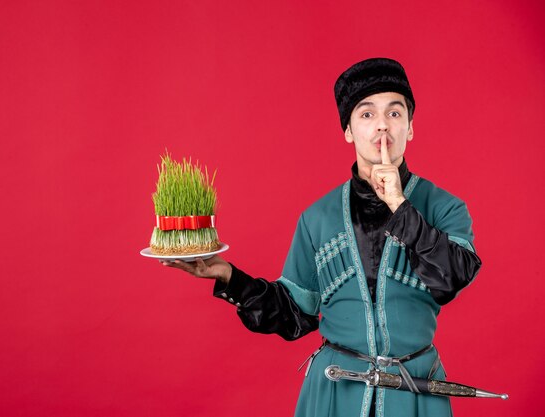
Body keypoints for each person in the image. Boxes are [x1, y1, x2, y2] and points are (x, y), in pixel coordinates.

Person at [161, 58, 481, 417]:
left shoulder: (445, 207)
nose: (381, 127)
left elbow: (451, 278)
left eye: (394, 114)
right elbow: (296, 313)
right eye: (366, 115)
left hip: (416, 391)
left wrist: (398, 203)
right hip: (334, 393)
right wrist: (228, 277)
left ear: (409, 128)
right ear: (348, 130)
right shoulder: (317, 218)